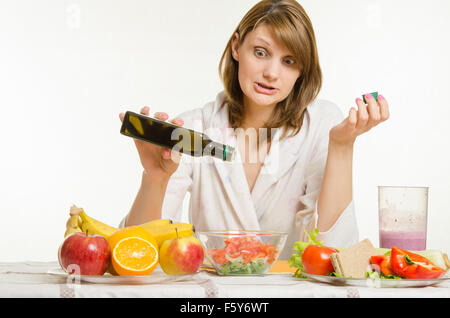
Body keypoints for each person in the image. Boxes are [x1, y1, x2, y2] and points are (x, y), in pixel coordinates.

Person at [118, 0, 389, 260]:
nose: (271, 72)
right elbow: (136, 254)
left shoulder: (321, 123)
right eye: (261, 53)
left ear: (301, 71)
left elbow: (336, 256)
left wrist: (341, 147)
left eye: (289, 61)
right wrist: (155, 179)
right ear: (237, 47)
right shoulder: (193, 129)